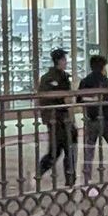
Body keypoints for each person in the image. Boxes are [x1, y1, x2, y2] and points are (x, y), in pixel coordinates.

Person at [35, 48, 76, 186]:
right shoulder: (53, 78)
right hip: (57, 118)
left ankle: (70, 178)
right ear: (58, 61)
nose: (66, 62)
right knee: (58, 151)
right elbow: (47, 98)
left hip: (60, 118)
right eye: (64, 59)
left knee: (64, 149)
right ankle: (42, 171)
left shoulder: (60, 77)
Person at [77, 53, 108, 182]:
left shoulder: (85, 81)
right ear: (102, 67)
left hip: (90, 119)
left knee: (89, 149)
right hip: (105, 120)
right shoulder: (105, 81)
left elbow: (79, 99)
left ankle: (87, 176)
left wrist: (90, 100)